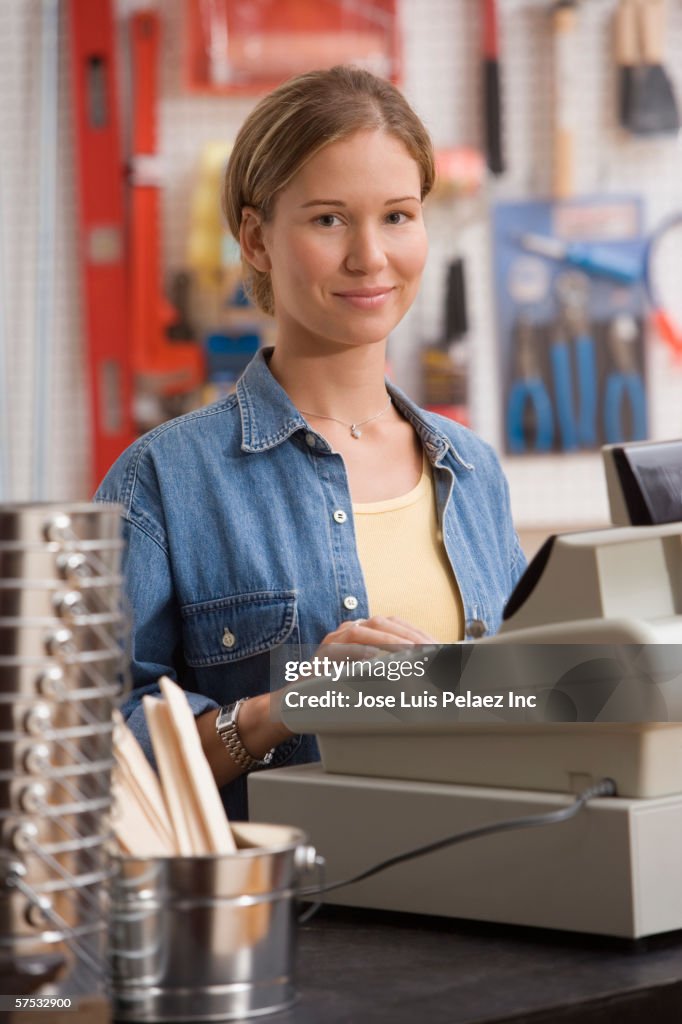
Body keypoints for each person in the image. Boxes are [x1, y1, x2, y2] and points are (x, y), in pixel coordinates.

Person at [96, 65, 526, 820]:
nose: (371, 257)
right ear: (257, 240)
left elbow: (531, 706)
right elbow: (92, 756)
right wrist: (283, 710)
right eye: (329, 219)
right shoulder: (162, 480)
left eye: (397, 215)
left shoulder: (471, 470)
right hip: (285, 921)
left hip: (487, 898)